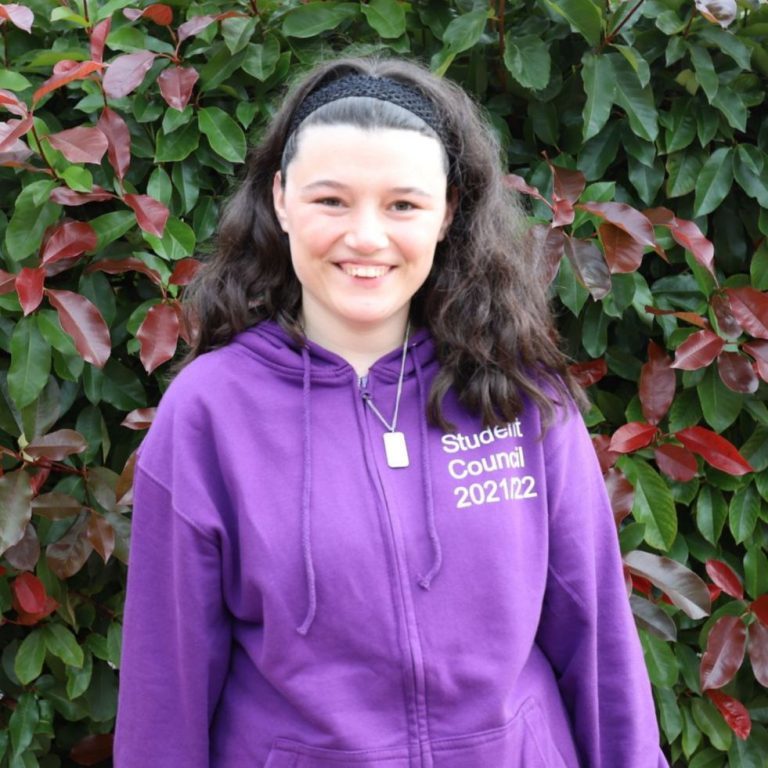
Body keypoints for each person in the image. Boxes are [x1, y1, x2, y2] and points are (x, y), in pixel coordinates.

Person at [114, 56, 668, 767]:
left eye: (402, 204)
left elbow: (597, 644)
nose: (367, 237)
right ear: (281, 200)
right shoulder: (210, 414)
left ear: (448, 213)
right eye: (331, 201)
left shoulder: (518, 394)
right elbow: (168, 688)